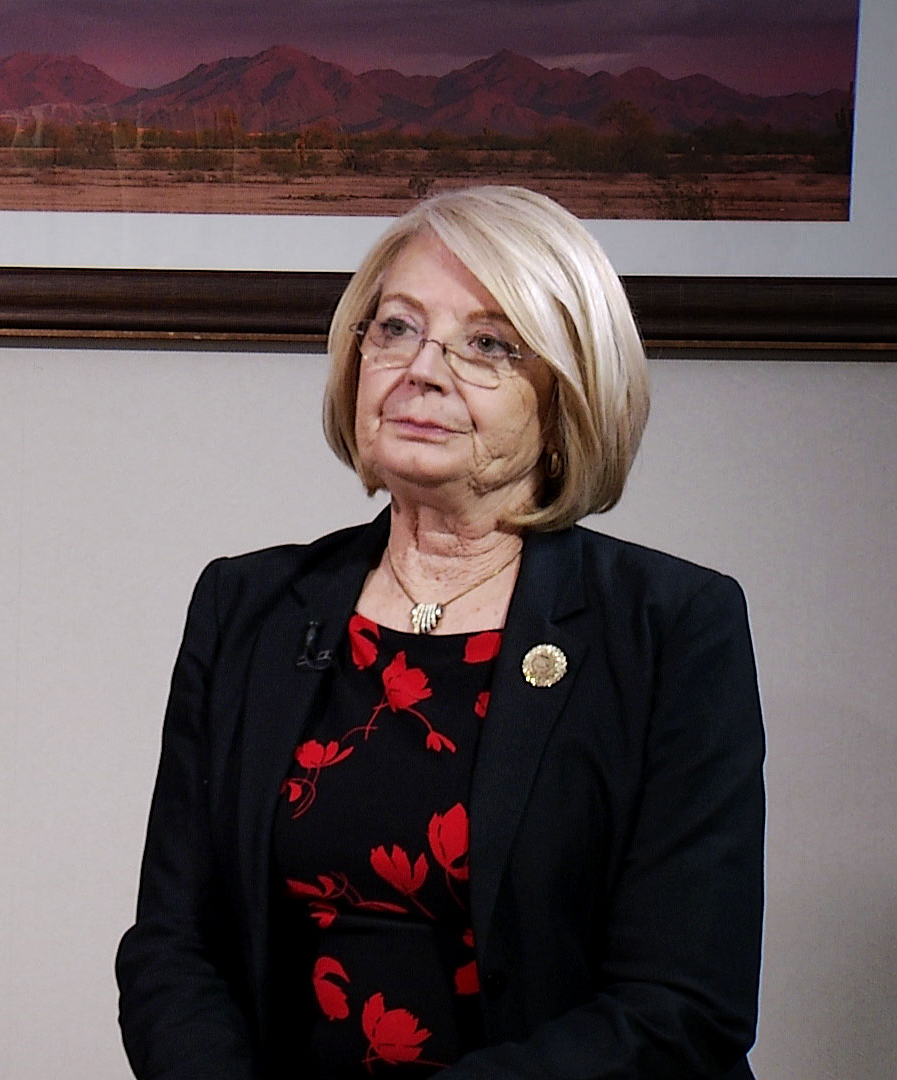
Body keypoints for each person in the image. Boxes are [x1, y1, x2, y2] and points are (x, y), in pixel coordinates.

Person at [115, 186, 764, 1079]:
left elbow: (681, 1009)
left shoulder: (670, 628)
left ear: (569, 392)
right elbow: (171, 949)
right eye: (396, 329)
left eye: (489, 344)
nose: (421, 369)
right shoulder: (248, 606)